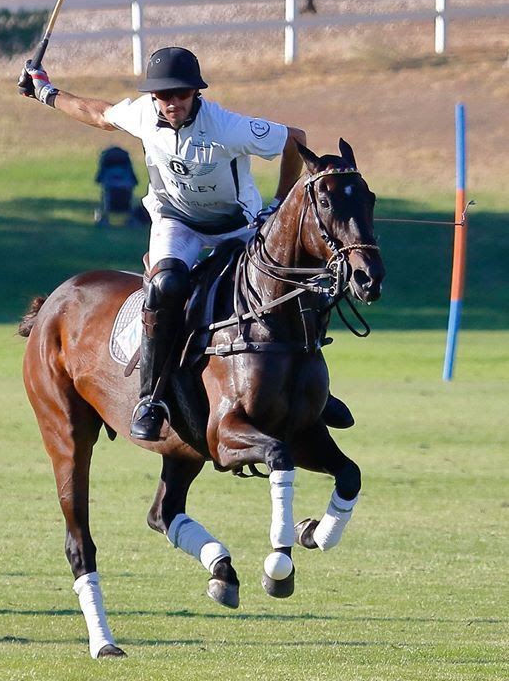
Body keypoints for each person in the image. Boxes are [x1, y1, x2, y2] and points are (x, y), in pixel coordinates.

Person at [19, 46, 353, 441]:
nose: (171, 102)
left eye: (180, 93)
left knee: (289, 280)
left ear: (196, 93)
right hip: (176, 222)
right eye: (162, 95)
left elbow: (294, 141)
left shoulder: (226, 126)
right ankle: (152, 398)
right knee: (166, 288)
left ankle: (315, 388)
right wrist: (44, 90)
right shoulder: (143, 113)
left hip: (236, 224)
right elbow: (97, 114)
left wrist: (278, 203)